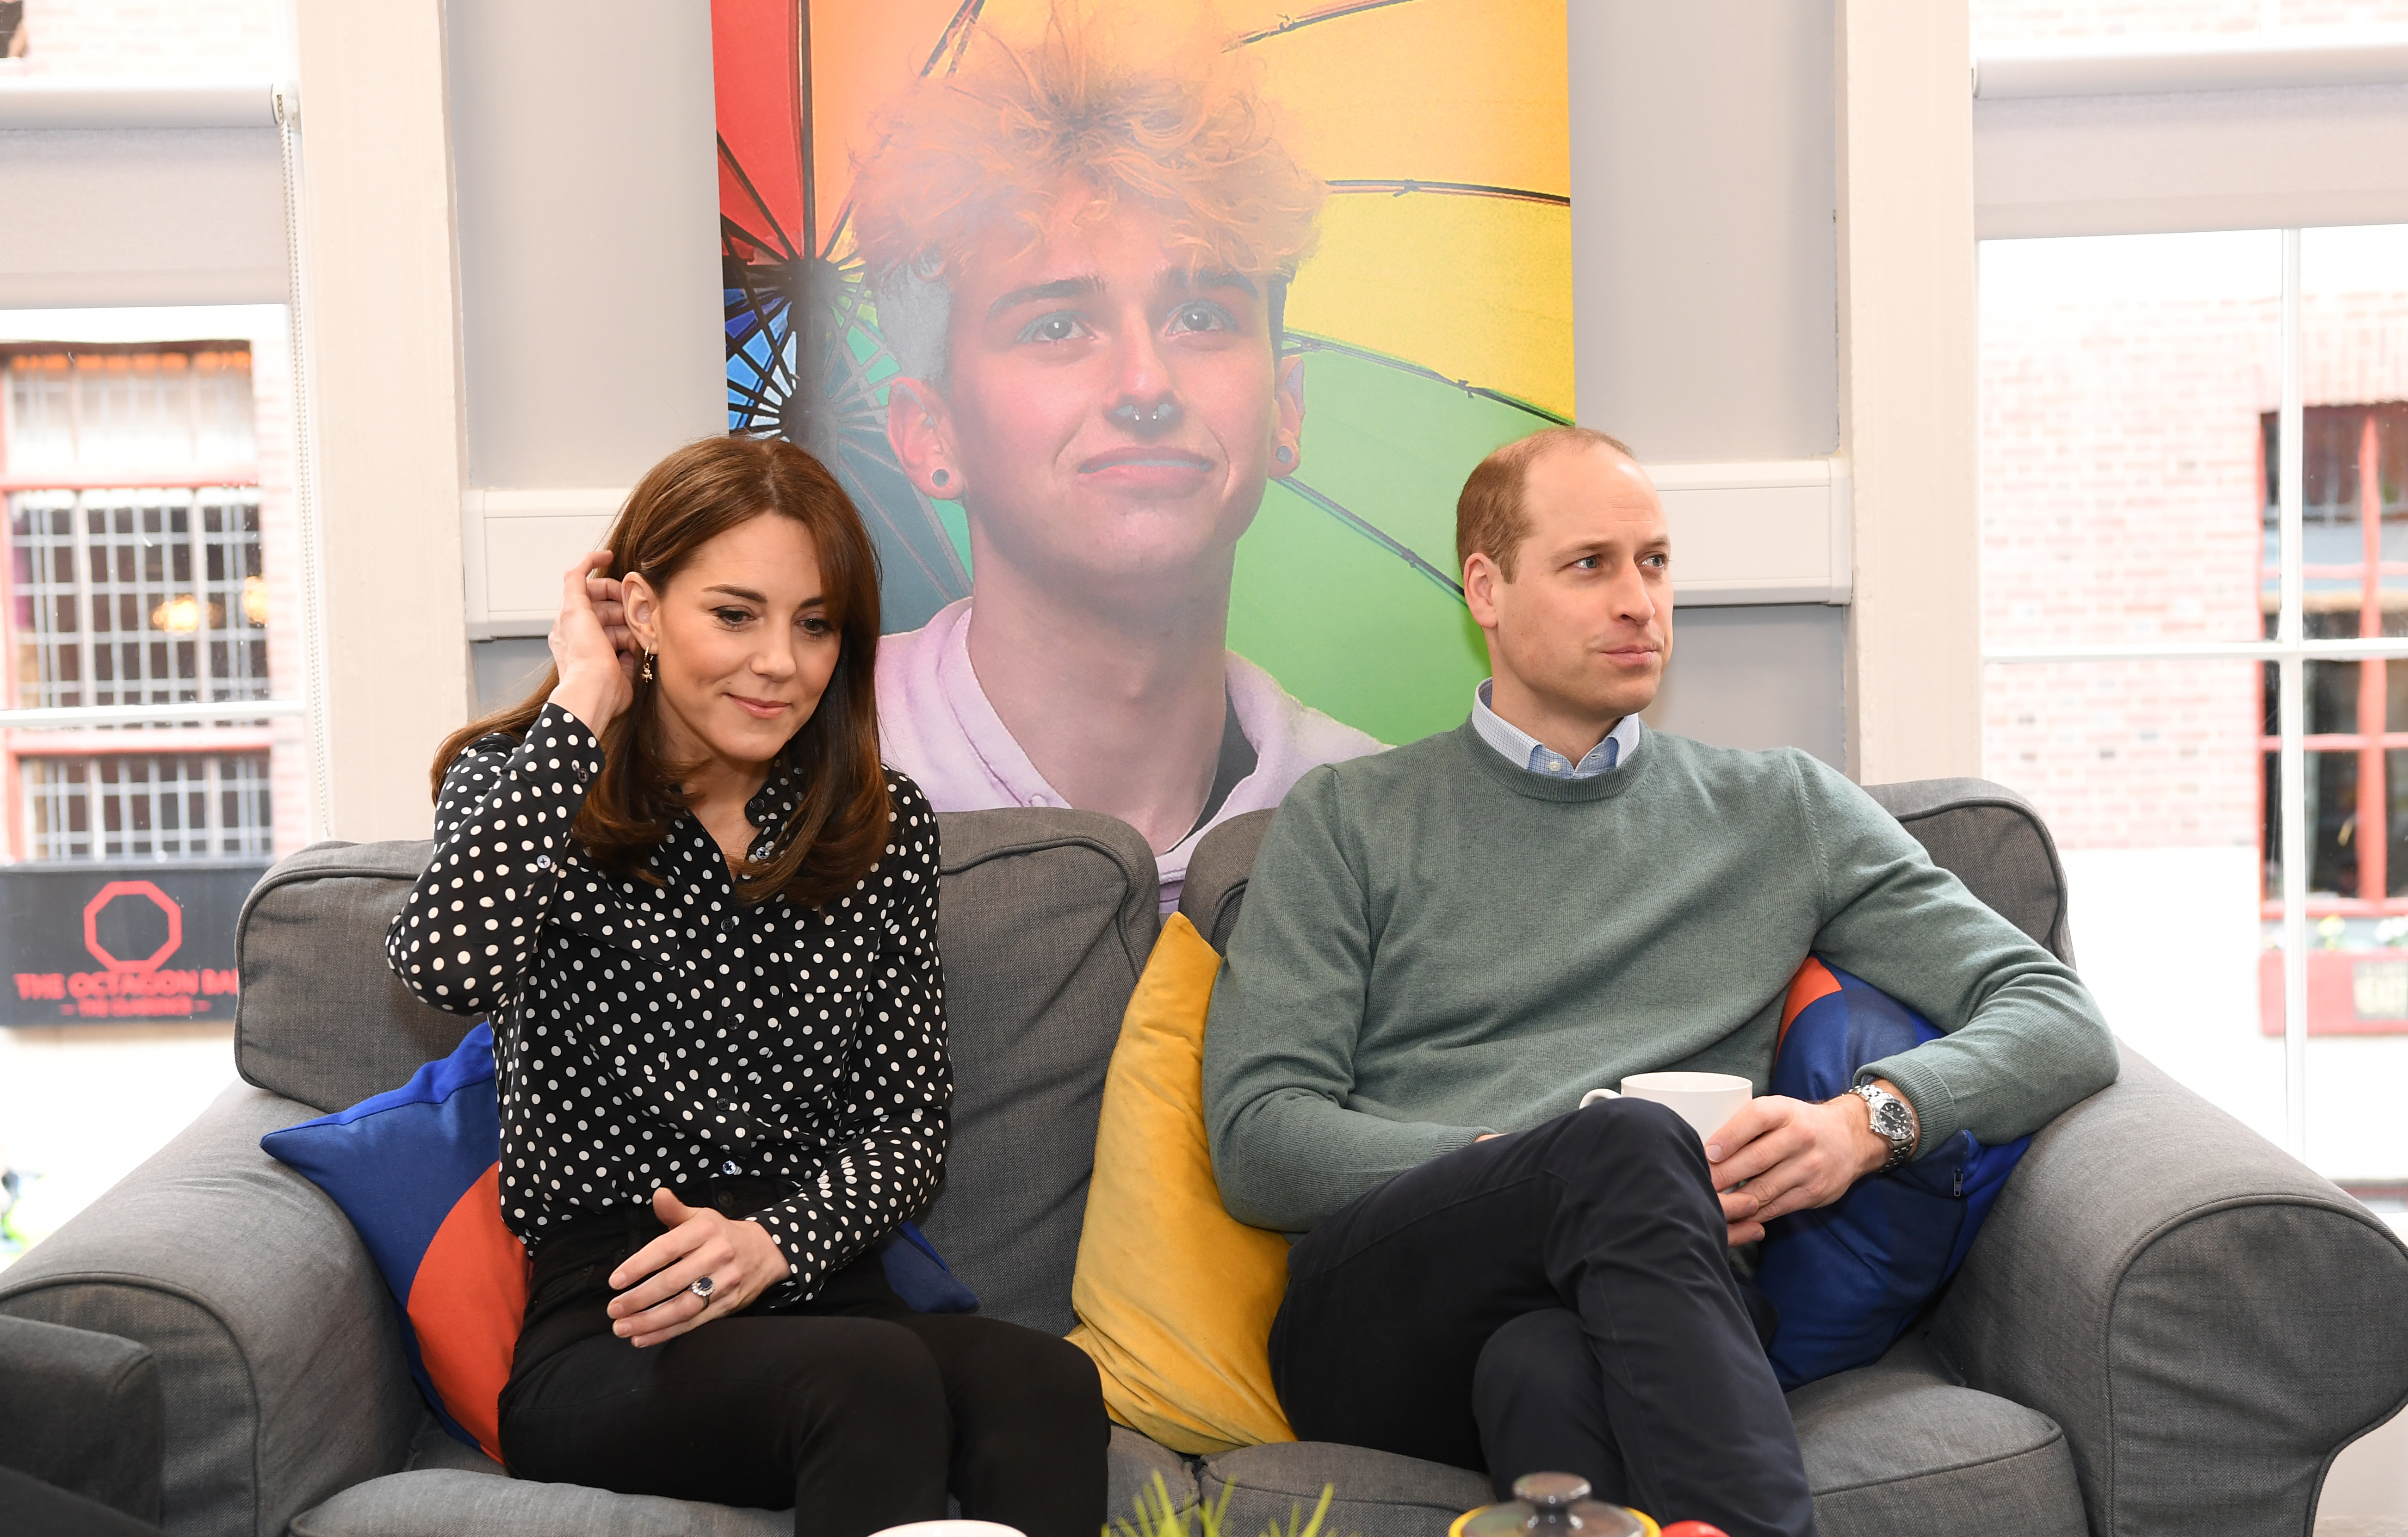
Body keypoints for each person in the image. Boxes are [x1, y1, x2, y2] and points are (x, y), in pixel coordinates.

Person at [1201, 427, 2120, 1537]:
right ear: (1485, 590)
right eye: (1589, 564)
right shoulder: (1346, 820)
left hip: (1642, 1320)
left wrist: (1864, 1124)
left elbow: (2054, 1015)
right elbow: (1259, 1137)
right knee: (1623, 1145)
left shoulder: (1782, 813)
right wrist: (1536, 1170)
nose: (1638, 602)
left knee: (1543, 1366)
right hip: (1386, 1313)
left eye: (1654, 562)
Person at [384, 437, 1107, 1537]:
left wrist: (774, 1241)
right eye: (734, 615)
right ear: (641, 609)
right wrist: (583, 698)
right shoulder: (523, 787)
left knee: (1046, 1382)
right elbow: (444, 968)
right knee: (868, 1378)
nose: (779, 663)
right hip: (618, 1325)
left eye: (815, 625)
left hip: (819, 1286)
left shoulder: (880, 829)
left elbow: (907, 1124)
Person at [848, 4, 1380, 910]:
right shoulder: (799, 775)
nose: (1145, 383)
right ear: (929, 434)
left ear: (1284, 409)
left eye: (1200, 317)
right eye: (1056, 326)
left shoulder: (1379, 833)